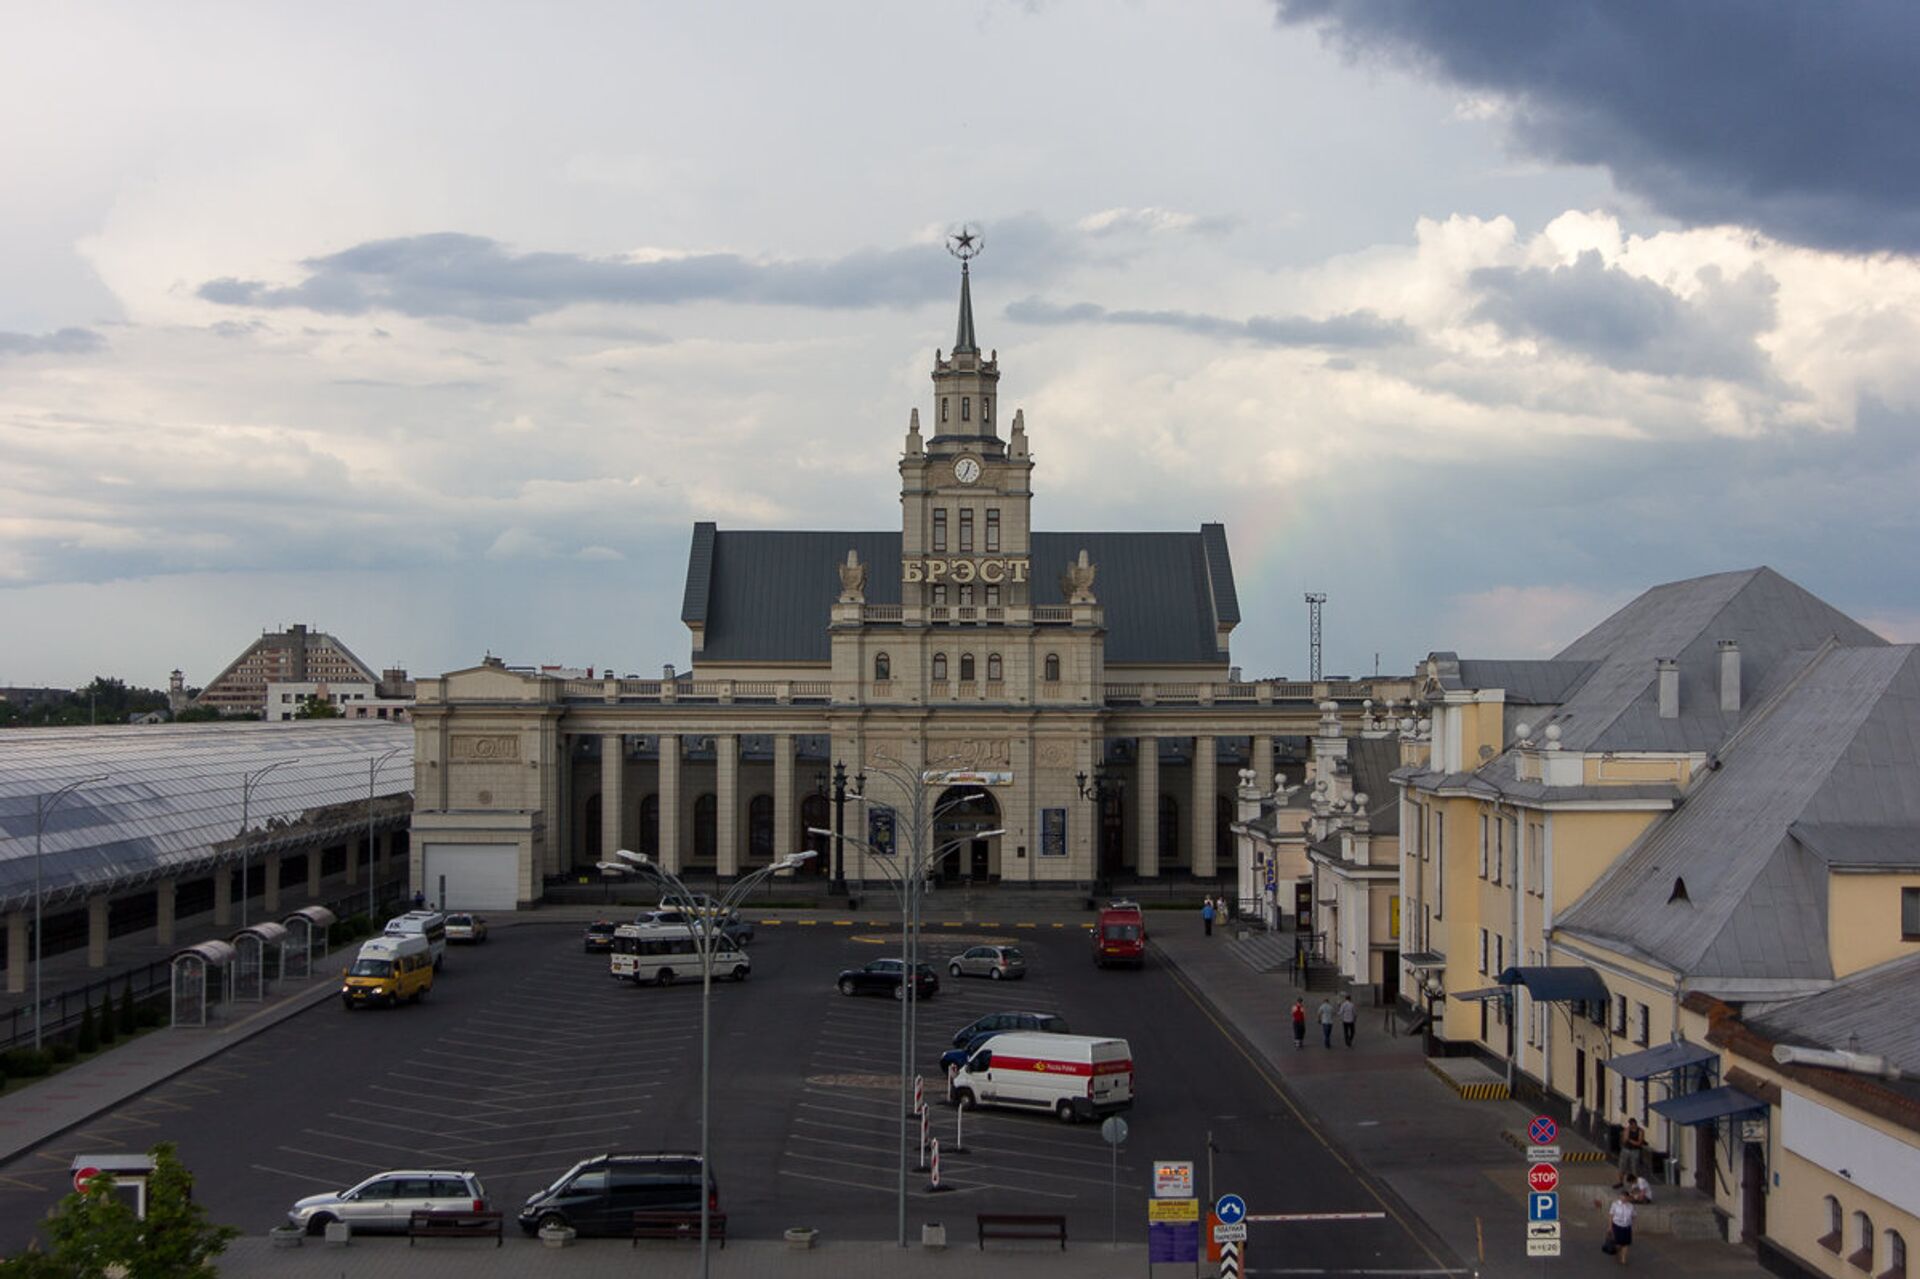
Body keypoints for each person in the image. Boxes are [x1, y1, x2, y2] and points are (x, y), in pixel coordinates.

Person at [1606, 1186, 1635, 1265]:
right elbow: (1611, 1215)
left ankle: (1623, 1259)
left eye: (1625, 1197)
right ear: (1620, 1197)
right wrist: (1610, 1227)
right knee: (1618, 1243)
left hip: (1627, 1226)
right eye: (1622, 1196)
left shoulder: (1631, 1206)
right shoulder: (1615, 1205)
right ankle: (1617, 1250)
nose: (1624, 1198)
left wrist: (1632, 1226)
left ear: (1628, 1198)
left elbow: (1633, 1217)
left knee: (1626, 1243)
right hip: (1617, 1225)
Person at [1616, 1117, 1648, 1184]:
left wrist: (1629, 1140)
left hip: (1635, 1151)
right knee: (1622, 1166)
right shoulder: (1627, 1130)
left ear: (1636, 1124)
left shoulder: (1640, 1131)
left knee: (1635, 1168)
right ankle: (1620, 1182)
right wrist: (1626, 1137)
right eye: (1631, 1124)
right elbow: (1624, 1141)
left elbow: (1639, 1143)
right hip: (1626, 1150)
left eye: (1634, 1124)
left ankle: (1635, 1183)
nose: (1633, 1126)